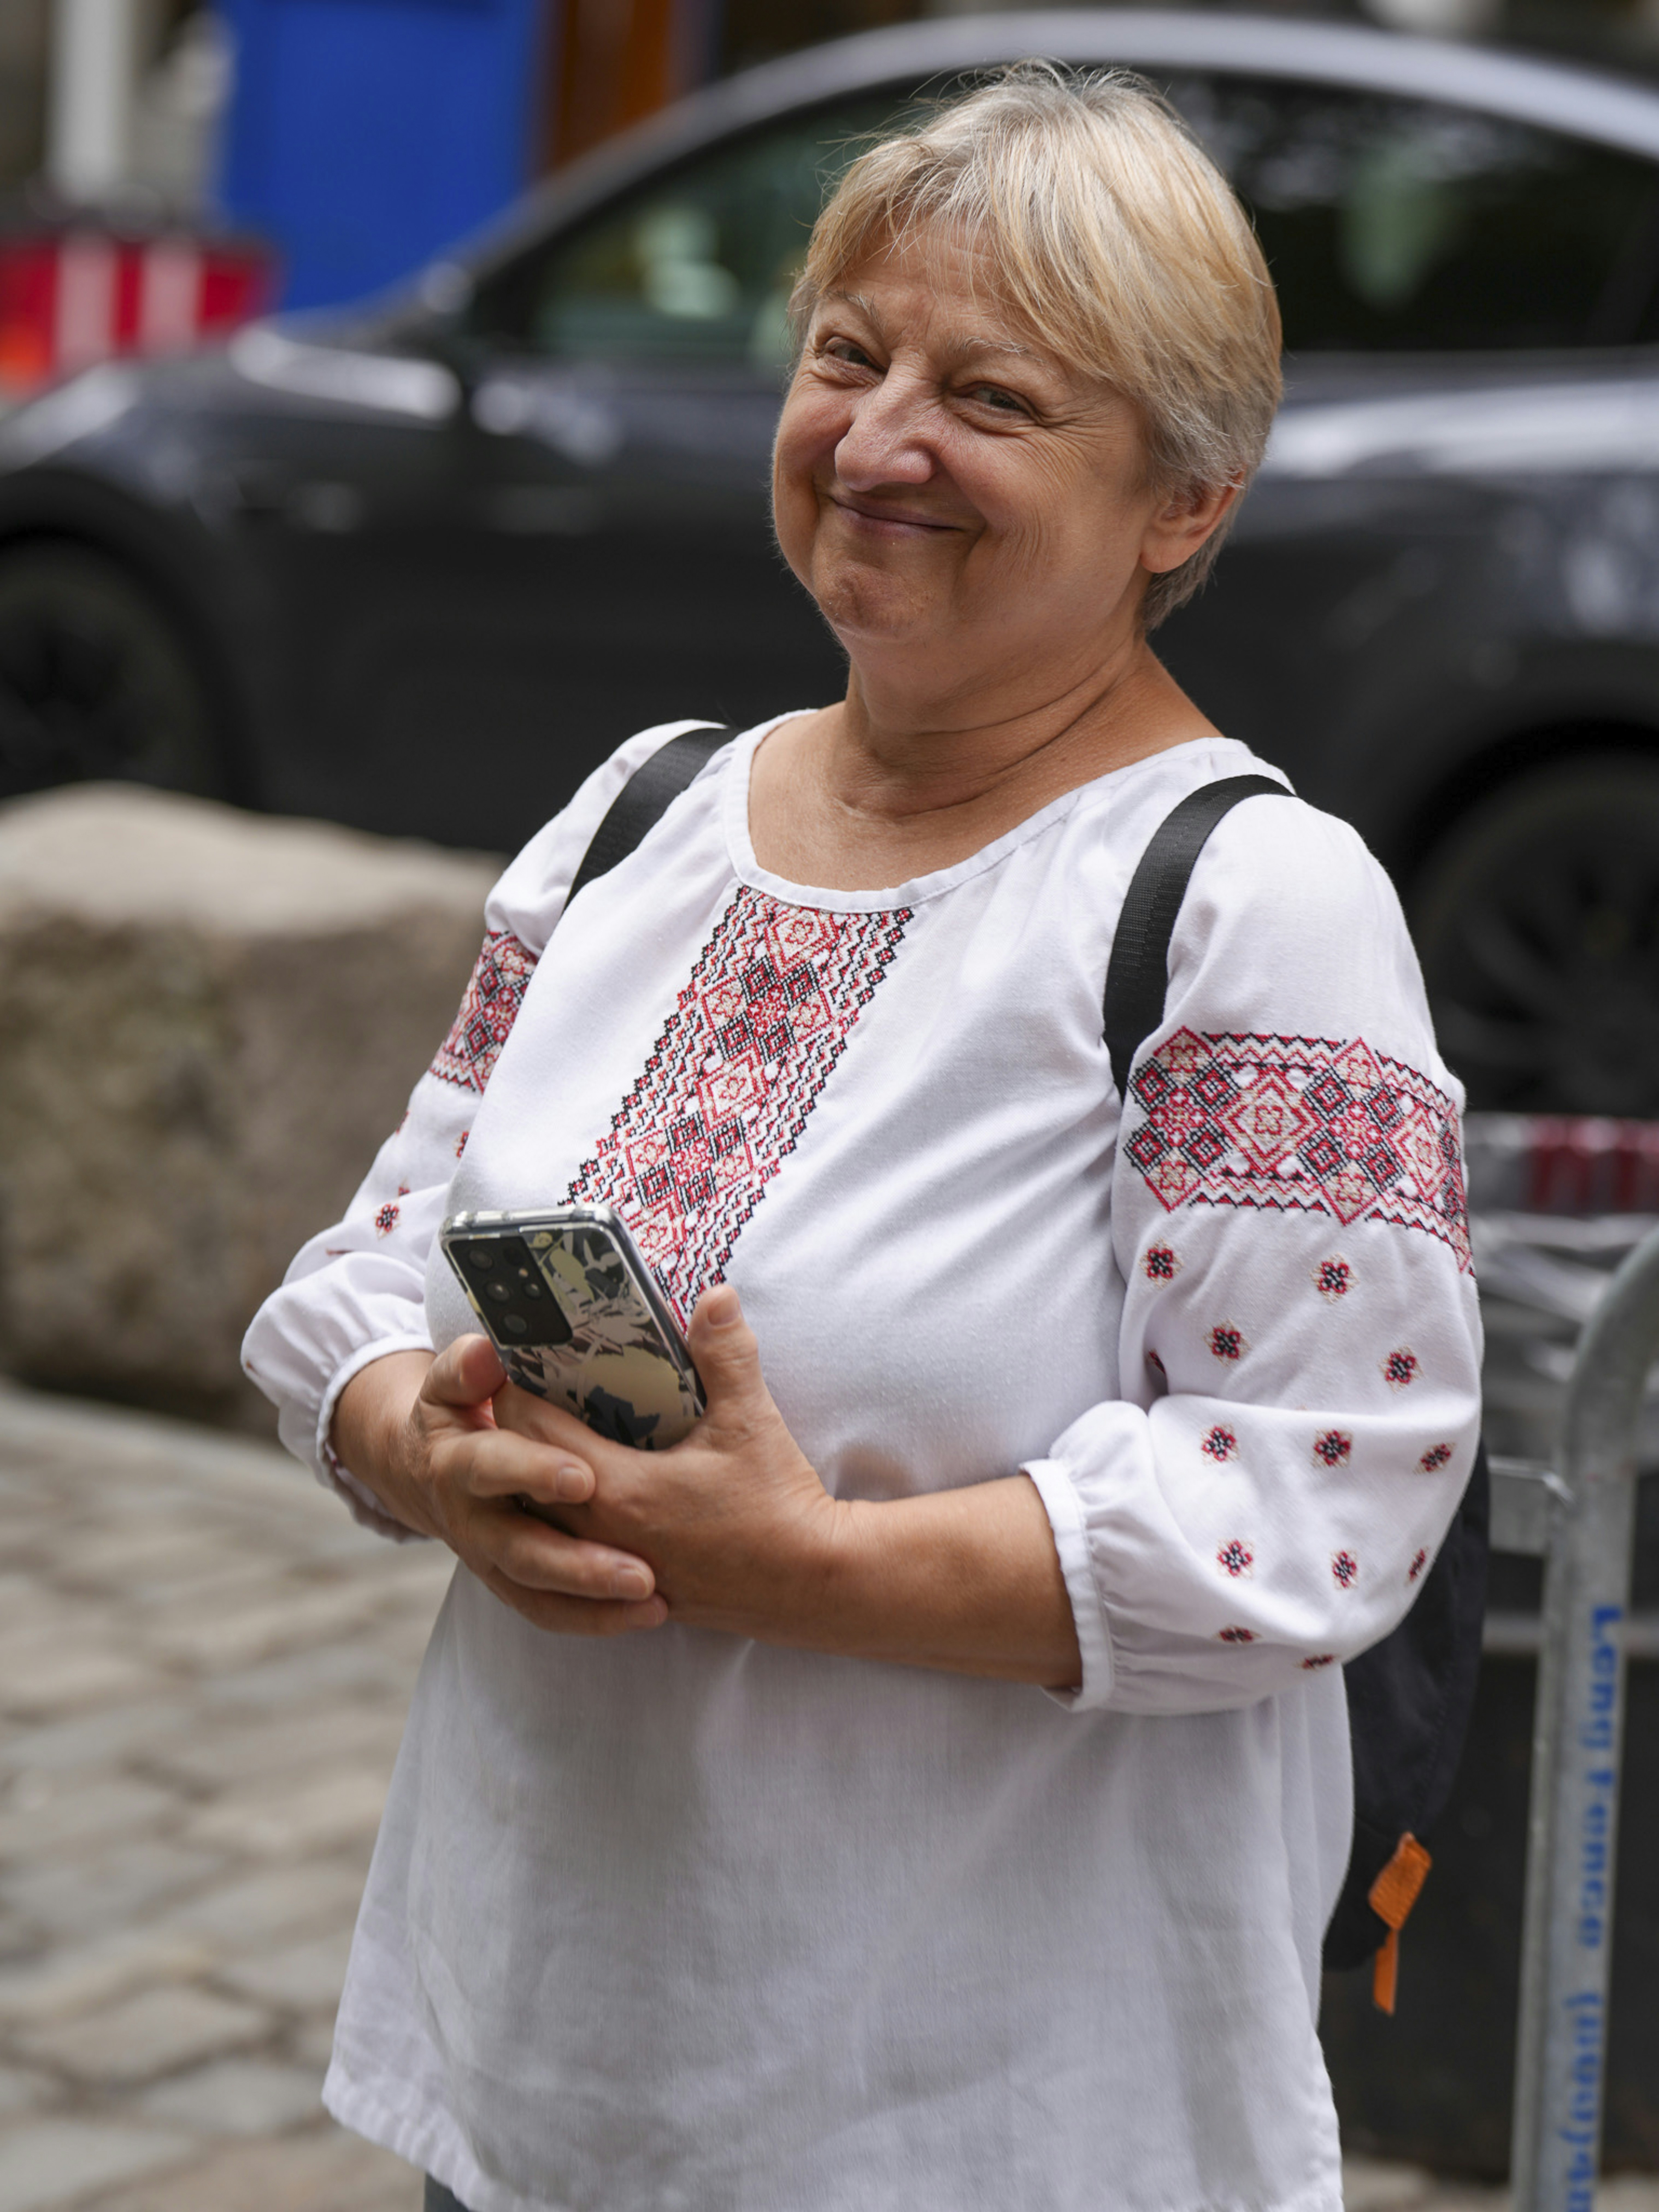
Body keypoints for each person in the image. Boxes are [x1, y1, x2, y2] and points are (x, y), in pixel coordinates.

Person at [244, 62, 1482, 2212]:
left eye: (990, 398)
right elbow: (373, 1258)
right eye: (847, 356)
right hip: (551, 2079)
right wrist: (409, 1438)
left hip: (983, 2124)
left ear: (1182, 498)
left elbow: (1316, 1505)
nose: (881, 438)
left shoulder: (1247, 904)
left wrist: (803, 1561)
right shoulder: (641, 813)